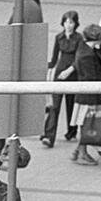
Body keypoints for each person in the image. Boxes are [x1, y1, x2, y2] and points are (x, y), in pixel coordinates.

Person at [41, 12, 82, 148]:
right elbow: (54, 59)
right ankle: (49, 135)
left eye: (71, 22)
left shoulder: (79, 38)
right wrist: (47, 70)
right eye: (66, 22)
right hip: (60, 74)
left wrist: (70, 69)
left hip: (73, 74)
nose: (68, 25)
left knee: (71, 104)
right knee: (55, 106)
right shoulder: (58, 37)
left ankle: (71, 131)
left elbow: (78, 58)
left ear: (76, 24)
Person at [70, 25, 101, 165]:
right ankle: (82, 154)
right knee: (89, 125)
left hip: (83, 96)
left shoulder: (83, 48)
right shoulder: (88, 55)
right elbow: (92, 77)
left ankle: (79, 150)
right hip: (90, 97)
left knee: (84, 124)